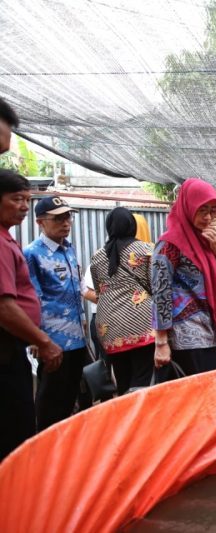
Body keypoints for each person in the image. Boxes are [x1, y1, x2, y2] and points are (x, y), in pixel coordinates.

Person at [0, 170, 62, 459]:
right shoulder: (9, 246)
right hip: (12, 349)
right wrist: (43, 339)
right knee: (17, 428)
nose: (24, 205)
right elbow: (5, 306)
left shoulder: (7, 239)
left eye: (27, 199)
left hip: (27, 343)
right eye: (16, 199)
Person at [150, 178, 216, 376]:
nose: (208, 217)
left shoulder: (208, 240)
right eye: (202, 210)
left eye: (213, 211)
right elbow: (160, 292)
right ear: (188, 206)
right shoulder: (169, 244)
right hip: (185, 335)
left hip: (212, 330)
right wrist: (161, 341)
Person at [24, 195, 86, 430]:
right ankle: (45, 450)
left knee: (70, 397)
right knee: (50, 401)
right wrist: (37, 338)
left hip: (78, 340)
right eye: (58, 218)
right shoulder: (32, 253)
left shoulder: (68, 249)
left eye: (68, 217)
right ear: (40, 222)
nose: (66, 223)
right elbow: (32, 298)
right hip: (52, 342)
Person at [90, 207, 155, 394]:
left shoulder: (97, 256)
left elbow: (98, 290)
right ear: (132, 225)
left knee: (122, 378)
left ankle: (125, 413)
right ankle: (140, 419)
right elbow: (156, 286)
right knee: (142, 379)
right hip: (140, 322)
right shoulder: (146, 249)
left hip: (108, 326)